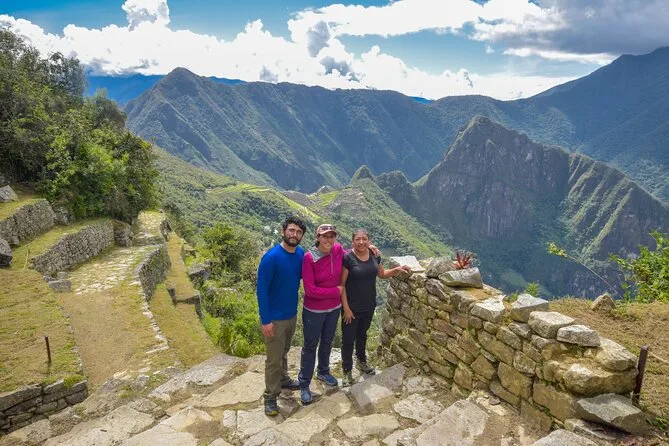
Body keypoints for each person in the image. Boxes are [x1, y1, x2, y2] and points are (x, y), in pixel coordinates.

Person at [339, 228, 411, 386]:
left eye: (364, 239)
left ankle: (362, 362)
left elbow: (382, 274)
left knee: (362, 335)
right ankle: (347, 371)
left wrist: (397, 269)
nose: (361, 242)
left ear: (369, 241)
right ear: (352, 241)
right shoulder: (348, 258)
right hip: (351, 307)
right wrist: (346, 309)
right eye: (357, 239)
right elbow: (341, 285)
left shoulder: (374, 255)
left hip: (369, 305)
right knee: (348, 340)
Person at [256, 216, 307, 416]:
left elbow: (316, 262)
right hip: (275, 319)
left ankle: (283, 379)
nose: (294, 235)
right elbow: (261, 291)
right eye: (291, 230)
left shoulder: (300, 254)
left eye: (298, 232)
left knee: (284, 351)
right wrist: (266, 320)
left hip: (291, 314)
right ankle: (270, 396)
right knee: (273, 359)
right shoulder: (271, 258)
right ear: (283, 231)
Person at [298, 223, 345, 404]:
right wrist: (336, 291)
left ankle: (323, 372)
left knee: (327, 341)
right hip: (314, 311)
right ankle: (304, 383)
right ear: (317, 237)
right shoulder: (309, 258)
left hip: (333, 309)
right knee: (310, 345)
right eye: (325, 236)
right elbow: (310, 290)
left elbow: (349, 255)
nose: (329, 239)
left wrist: (368, 249)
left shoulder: (338, 249)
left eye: (332, 236)